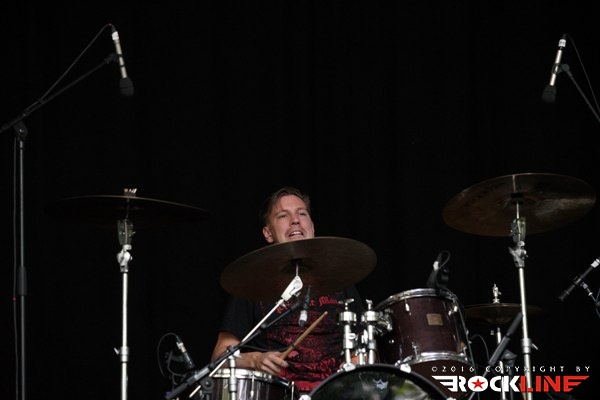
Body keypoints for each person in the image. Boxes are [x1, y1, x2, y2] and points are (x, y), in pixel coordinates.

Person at [210, 186, 365, 394]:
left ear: (312, 227)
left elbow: (365, 348)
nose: (295, 220)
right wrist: (255, 360)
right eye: (283, 215)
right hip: (280, 394)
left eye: (302, 213)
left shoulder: (339, 280)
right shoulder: (252, 284)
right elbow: (219, 356)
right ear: (268, 233)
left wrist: (356, 367)